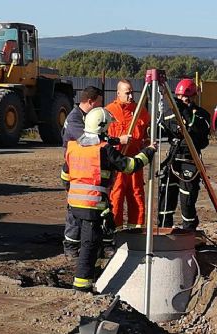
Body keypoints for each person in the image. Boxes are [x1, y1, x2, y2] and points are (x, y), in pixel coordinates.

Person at [60, 107, 157, 292]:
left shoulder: (73, 147)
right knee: (89, 247)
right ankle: (81, 287)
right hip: (92, 207)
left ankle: (96, 276)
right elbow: (129, 166)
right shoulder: (104, 150)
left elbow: (65, 177)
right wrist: (149, 151)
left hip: (74, 206)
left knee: (93, 244)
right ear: (103, 128)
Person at [61, 86, 128, 259]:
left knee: (101, 210)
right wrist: (116, 141)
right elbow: (87, 140)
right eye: (99, 103)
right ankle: (71, 248)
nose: (101, 107)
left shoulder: (84, 117)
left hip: (90, 170)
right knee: (75, 213)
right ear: (91, 101)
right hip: (79, 171)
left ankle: (101, 245)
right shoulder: (75, 119)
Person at [157, 78, 210, 231]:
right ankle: (164, 229)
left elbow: (199, 130)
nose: (182, 100)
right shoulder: (169, 114)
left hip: (190, 161)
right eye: (179, 97)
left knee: (187, 200)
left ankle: (189, 231)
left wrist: (185, 113)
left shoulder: (201, 115)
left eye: (186, 97)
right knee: (166, 196)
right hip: (173, 159)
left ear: (194, 97)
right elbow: (158, 130)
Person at [106, 79, 150, 229]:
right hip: (117, 162)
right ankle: (115, 229)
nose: (131, 96)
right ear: (118, 93)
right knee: (116, 196)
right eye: (127, 93)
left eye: (132, 93)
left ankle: (136, 228)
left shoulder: (140, 111)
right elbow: (104, 139)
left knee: (136, 194)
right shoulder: (109, 111)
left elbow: (146, 134)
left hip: (135, 161)